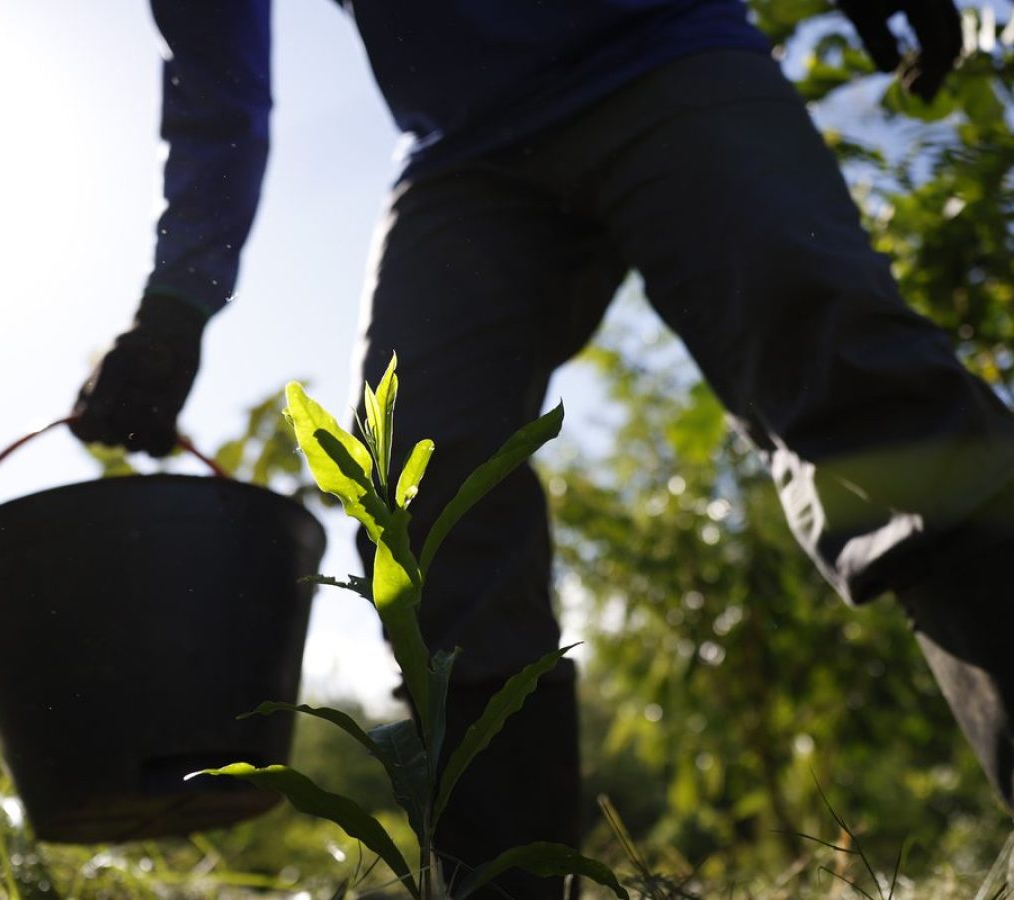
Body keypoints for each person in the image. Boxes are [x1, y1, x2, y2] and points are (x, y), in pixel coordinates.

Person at [72, 1, 1013, 896]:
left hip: (665, 44)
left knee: (850, 372)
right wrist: (175, 307)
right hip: (463, 151)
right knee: (417, 497)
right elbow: (214, 80)